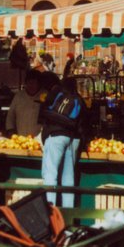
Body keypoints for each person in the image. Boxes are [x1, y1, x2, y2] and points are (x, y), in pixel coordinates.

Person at [39, 74, 87, 208]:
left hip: (55, 136)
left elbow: (44, 113)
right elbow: (84, 123)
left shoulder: (57, 95)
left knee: (51, 175)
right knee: (68, 178)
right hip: (72, 139)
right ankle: (68, 211)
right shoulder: (78, 99)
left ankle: (50, 211)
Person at [5, 69, 43, 137]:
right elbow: (10, 116)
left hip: (39, 139)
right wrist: (11, 131)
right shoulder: (19, 96)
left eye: (34, 83)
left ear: (39, 84)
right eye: (29, 83)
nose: (31, 86)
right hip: (22, 139)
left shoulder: (45, 96)